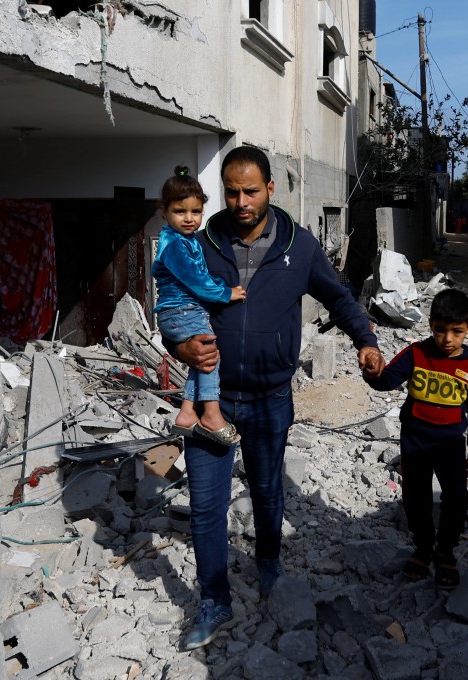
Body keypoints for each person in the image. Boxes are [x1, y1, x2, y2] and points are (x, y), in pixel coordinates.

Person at [170, 146, 385, 651]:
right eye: (232, 192)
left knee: (267, 491)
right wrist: (179, 346)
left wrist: (366, 340)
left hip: (270, 398)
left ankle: (268, 562)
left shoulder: (299, 246)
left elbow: (338, 296)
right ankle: (214, 599)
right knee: (206, 505)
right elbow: (173, 305)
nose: (241, 202)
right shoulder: (199, 245)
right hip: (210, 396)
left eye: (251, 191)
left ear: (270, 188)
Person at [363, 288, 468, 590]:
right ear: (430, 324)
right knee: (415, 499)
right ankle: (423, 548)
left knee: (456, 499)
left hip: (450, 447)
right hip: (415, 444)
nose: (447, 339)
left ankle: (445, 551)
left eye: (457, 331)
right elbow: (387, 380)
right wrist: (372, 371)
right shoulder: (416, 354)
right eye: (440, 330)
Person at [152, 166, 246, 446]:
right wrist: (226, 292)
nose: (189, 218)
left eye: (196, 211)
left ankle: (187, 412)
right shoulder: (175, 246)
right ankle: (212, 415)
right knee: (209, 357)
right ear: (164, 212)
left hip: (186, 311)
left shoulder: (186, 241)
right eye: (180, 211)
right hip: (182, 311)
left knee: (200, 359)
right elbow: (196, 280)